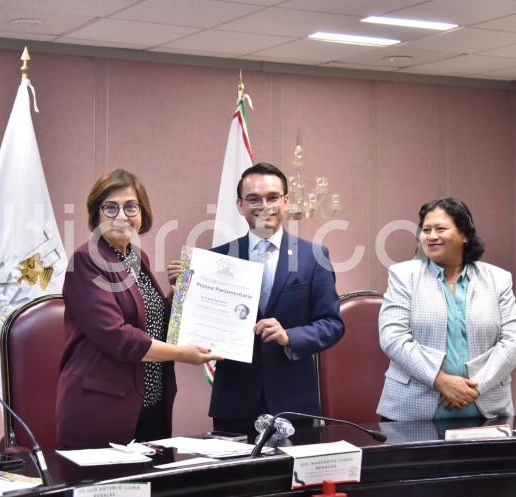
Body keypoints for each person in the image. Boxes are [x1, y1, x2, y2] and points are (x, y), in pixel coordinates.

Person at [168, 163, 344, 439]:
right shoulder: (216, 260)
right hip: (234, 402)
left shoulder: (314, 256)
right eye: (253, 199)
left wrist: (290, 337)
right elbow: (187, 326)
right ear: (239, 205)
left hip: (294, 404)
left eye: (273, 197)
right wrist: (181, 291)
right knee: (236, 481)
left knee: (294, 482)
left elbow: (332, 324)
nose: (264, 205)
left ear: (286, 201)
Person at [56, 169, 221, 449]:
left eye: (131, 206)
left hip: (150, 403)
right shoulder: (86, 261)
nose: (122, 216)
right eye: (111, 207)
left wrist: (179, 291)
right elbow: (116, 336)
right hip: (102, 407)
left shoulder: (136, 256)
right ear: (96, 214)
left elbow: (153, 321)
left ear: (142, 212)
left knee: (151, 490)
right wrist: (182, 354)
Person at [377, 197, 516, 421]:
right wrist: (441, 381)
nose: (431, 236)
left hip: (487, 410)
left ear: (465, 235)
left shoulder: (498, 279)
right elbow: (392, 337)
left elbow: (512, 341)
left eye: (440, 229)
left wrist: (472, 388)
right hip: (412, 410)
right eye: (426, 230)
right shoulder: (403, 275)